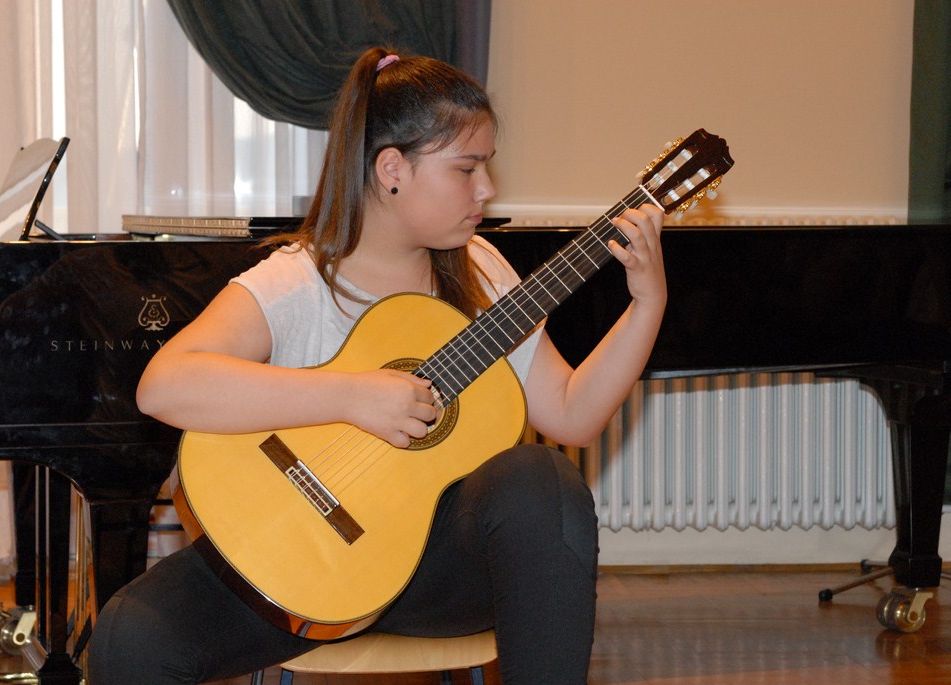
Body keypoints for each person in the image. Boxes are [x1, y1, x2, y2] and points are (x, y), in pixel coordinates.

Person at [88, 46, 665, 685]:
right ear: (392, 168)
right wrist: (352, 397)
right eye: (466, 168)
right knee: (129, 633)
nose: (487, 189)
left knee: (540, 477)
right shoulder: (298, 281)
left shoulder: (482, 271)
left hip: (436, 575)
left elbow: (573, 414)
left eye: (487, 166)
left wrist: (647, 304)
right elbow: (164, 385)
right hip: (302, 568)